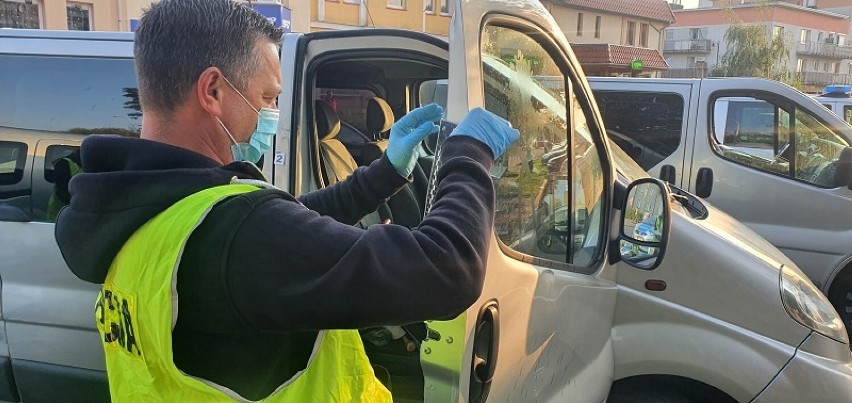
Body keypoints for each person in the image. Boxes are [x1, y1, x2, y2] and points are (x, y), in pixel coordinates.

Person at [54, 0, 518, 401]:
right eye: (267, 97)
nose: (272, 113)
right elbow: (448, 270)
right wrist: (467, 153)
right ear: (213, 91)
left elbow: (289, 221)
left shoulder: (141, 211)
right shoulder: (234, 236)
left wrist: (386, 173)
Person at [45, 148, 82, 221]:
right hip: (60, 213)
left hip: (78, 215)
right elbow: (62, 191)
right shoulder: (64, 163)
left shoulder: (89, 165)